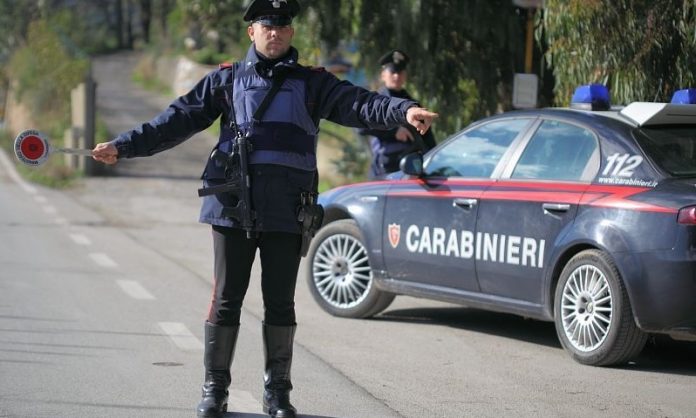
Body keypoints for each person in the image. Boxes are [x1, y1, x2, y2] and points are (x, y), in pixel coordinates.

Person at [91, 1, 437, 417]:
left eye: (282, 25)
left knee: (280, 303)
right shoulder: (226, 80)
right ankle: (214, 391)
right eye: (266, 25)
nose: (275, 32)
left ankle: (278, 394)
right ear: (251, 32)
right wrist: (123, 146)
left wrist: (404, 109)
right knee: (226, 300)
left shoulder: (314, 84)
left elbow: (361, 104)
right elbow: (175, 121)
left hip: (287, 210)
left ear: (290, 33)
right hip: (233, 207)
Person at [360, 50, 437, 179]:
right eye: (392, 72)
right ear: (383, 75)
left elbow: (427, 136)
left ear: (405, 75)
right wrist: (394, 132)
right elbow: (361, 126)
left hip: (412, 168)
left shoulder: (413, 103)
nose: (396, 76)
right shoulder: (376, 100)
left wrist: (435, 159)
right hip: (385, 168)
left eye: (400, 72)